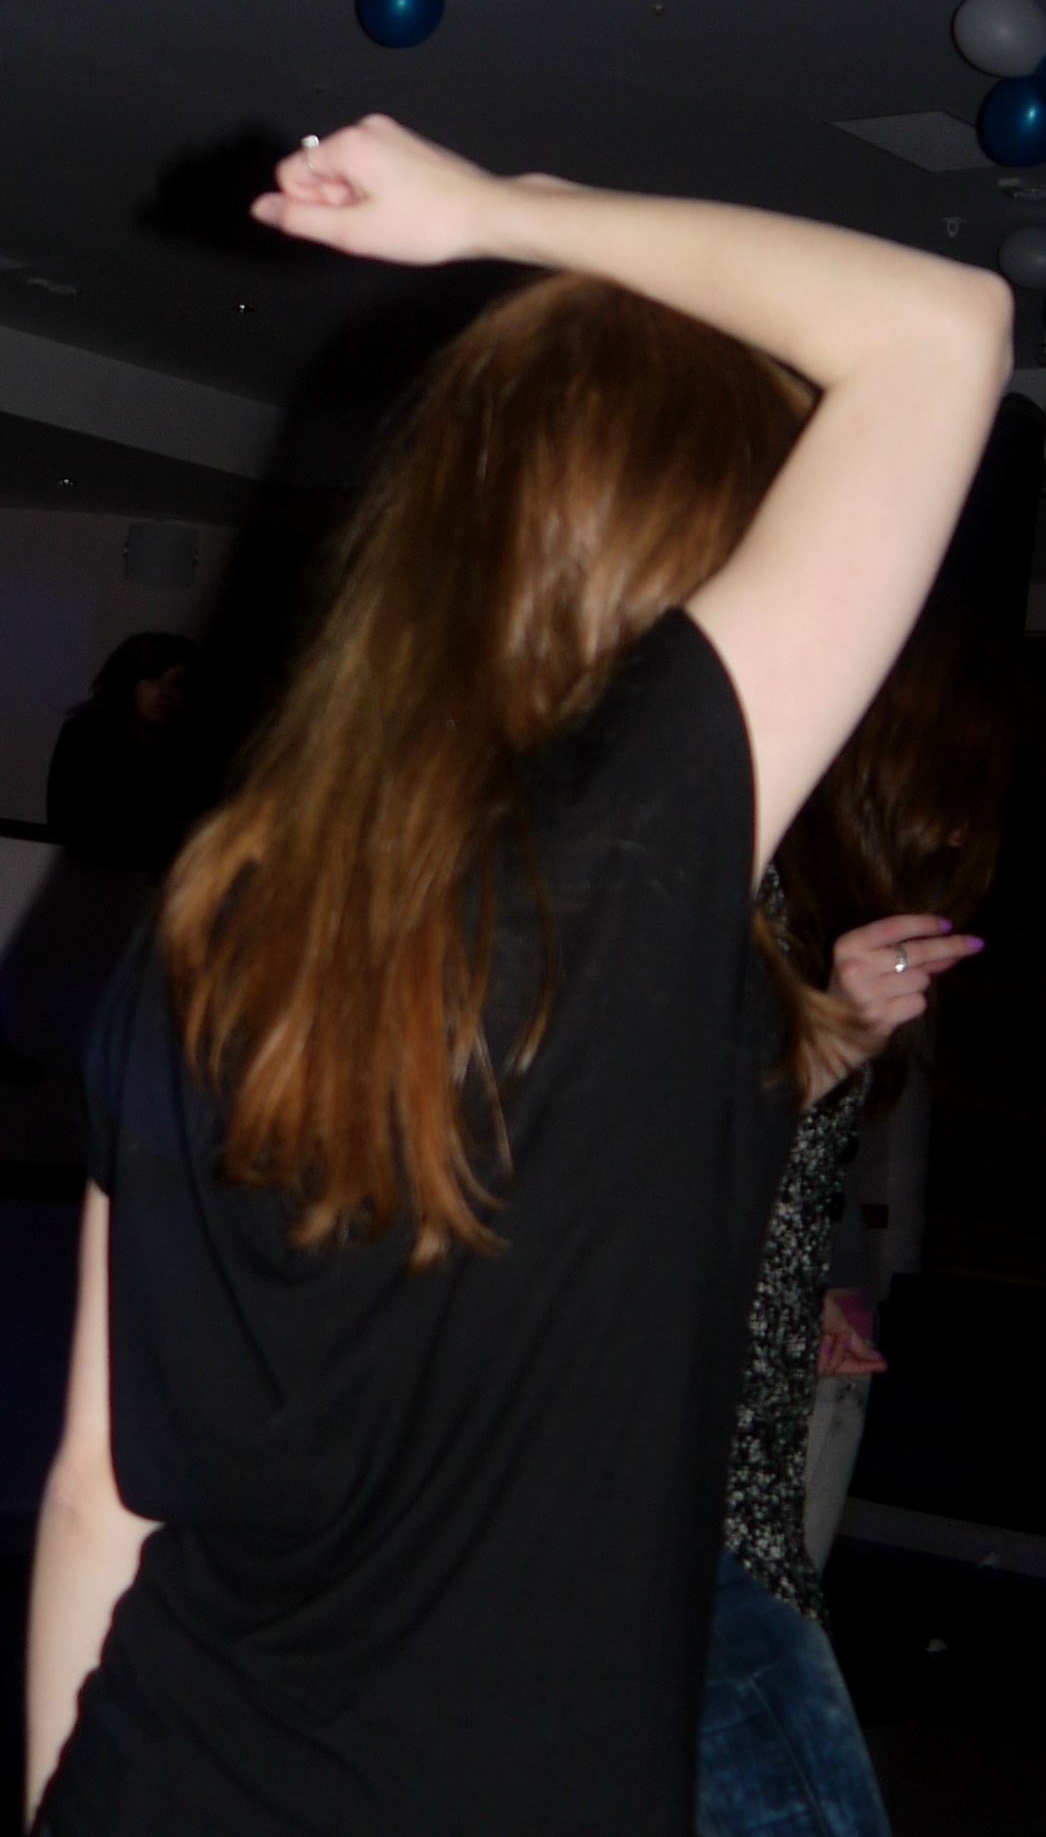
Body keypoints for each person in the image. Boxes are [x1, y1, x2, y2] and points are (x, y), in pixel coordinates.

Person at [25, 117, 1011, 1837]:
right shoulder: (623, 851)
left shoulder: (219, 920)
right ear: (691, 549)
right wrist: (514, 213)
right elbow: (942, 329)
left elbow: (103, 1488)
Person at [698, 600, 1016, 1837]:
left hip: (747, 1434)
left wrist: (817, 1278)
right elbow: (633, 1147)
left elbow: (790, 1157)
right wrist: (817, 1048)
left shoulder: (810, 895)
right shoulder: (736, 884)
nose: (967, 827)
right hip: (677, 1455)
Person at [46, 635, 206, 875]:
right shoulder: (88, 732)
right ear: (130, 682)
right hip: (93, 872)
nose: (164, 692)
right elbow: (66, 818)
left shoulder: (195, 745)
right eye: (153, 679)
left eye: (178, 684)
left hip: (168, 875)